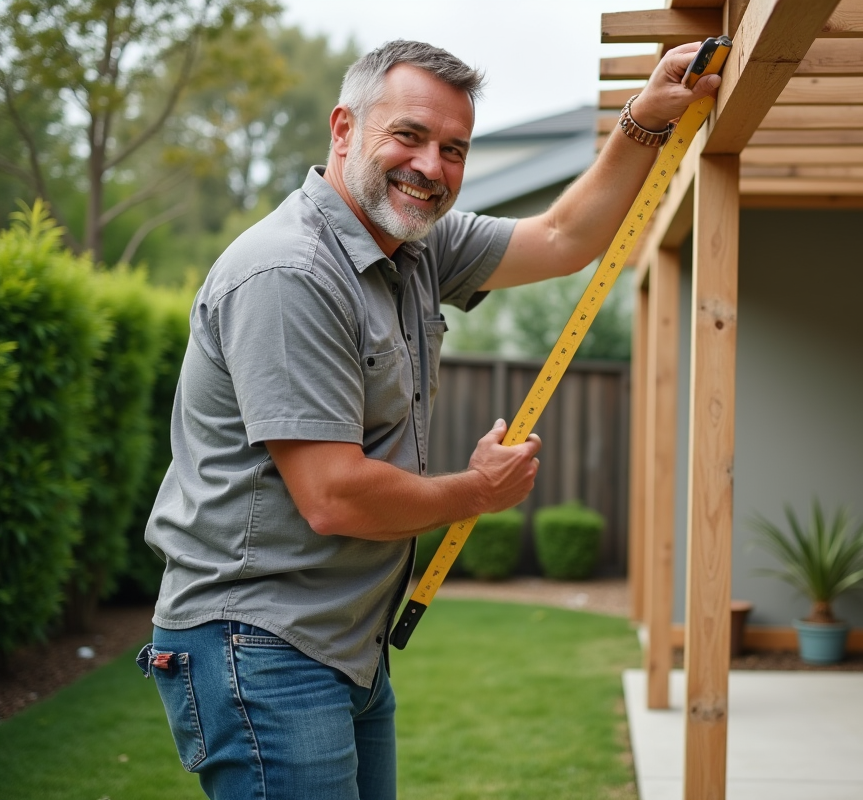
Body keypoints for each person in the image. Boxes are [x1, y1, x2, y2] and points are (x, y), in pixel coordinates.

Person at [136, 38, 719, 800]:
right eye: (408, 136)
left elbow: (564, 238)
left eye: (454, 148)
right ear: (344, 129)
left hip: (343, 645)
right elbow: (333, 496)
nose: (432, 167)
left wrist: (642, 117)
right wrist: (474, 492)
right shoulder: (289, 273)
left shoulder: (415, 248)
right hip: (260, 643)